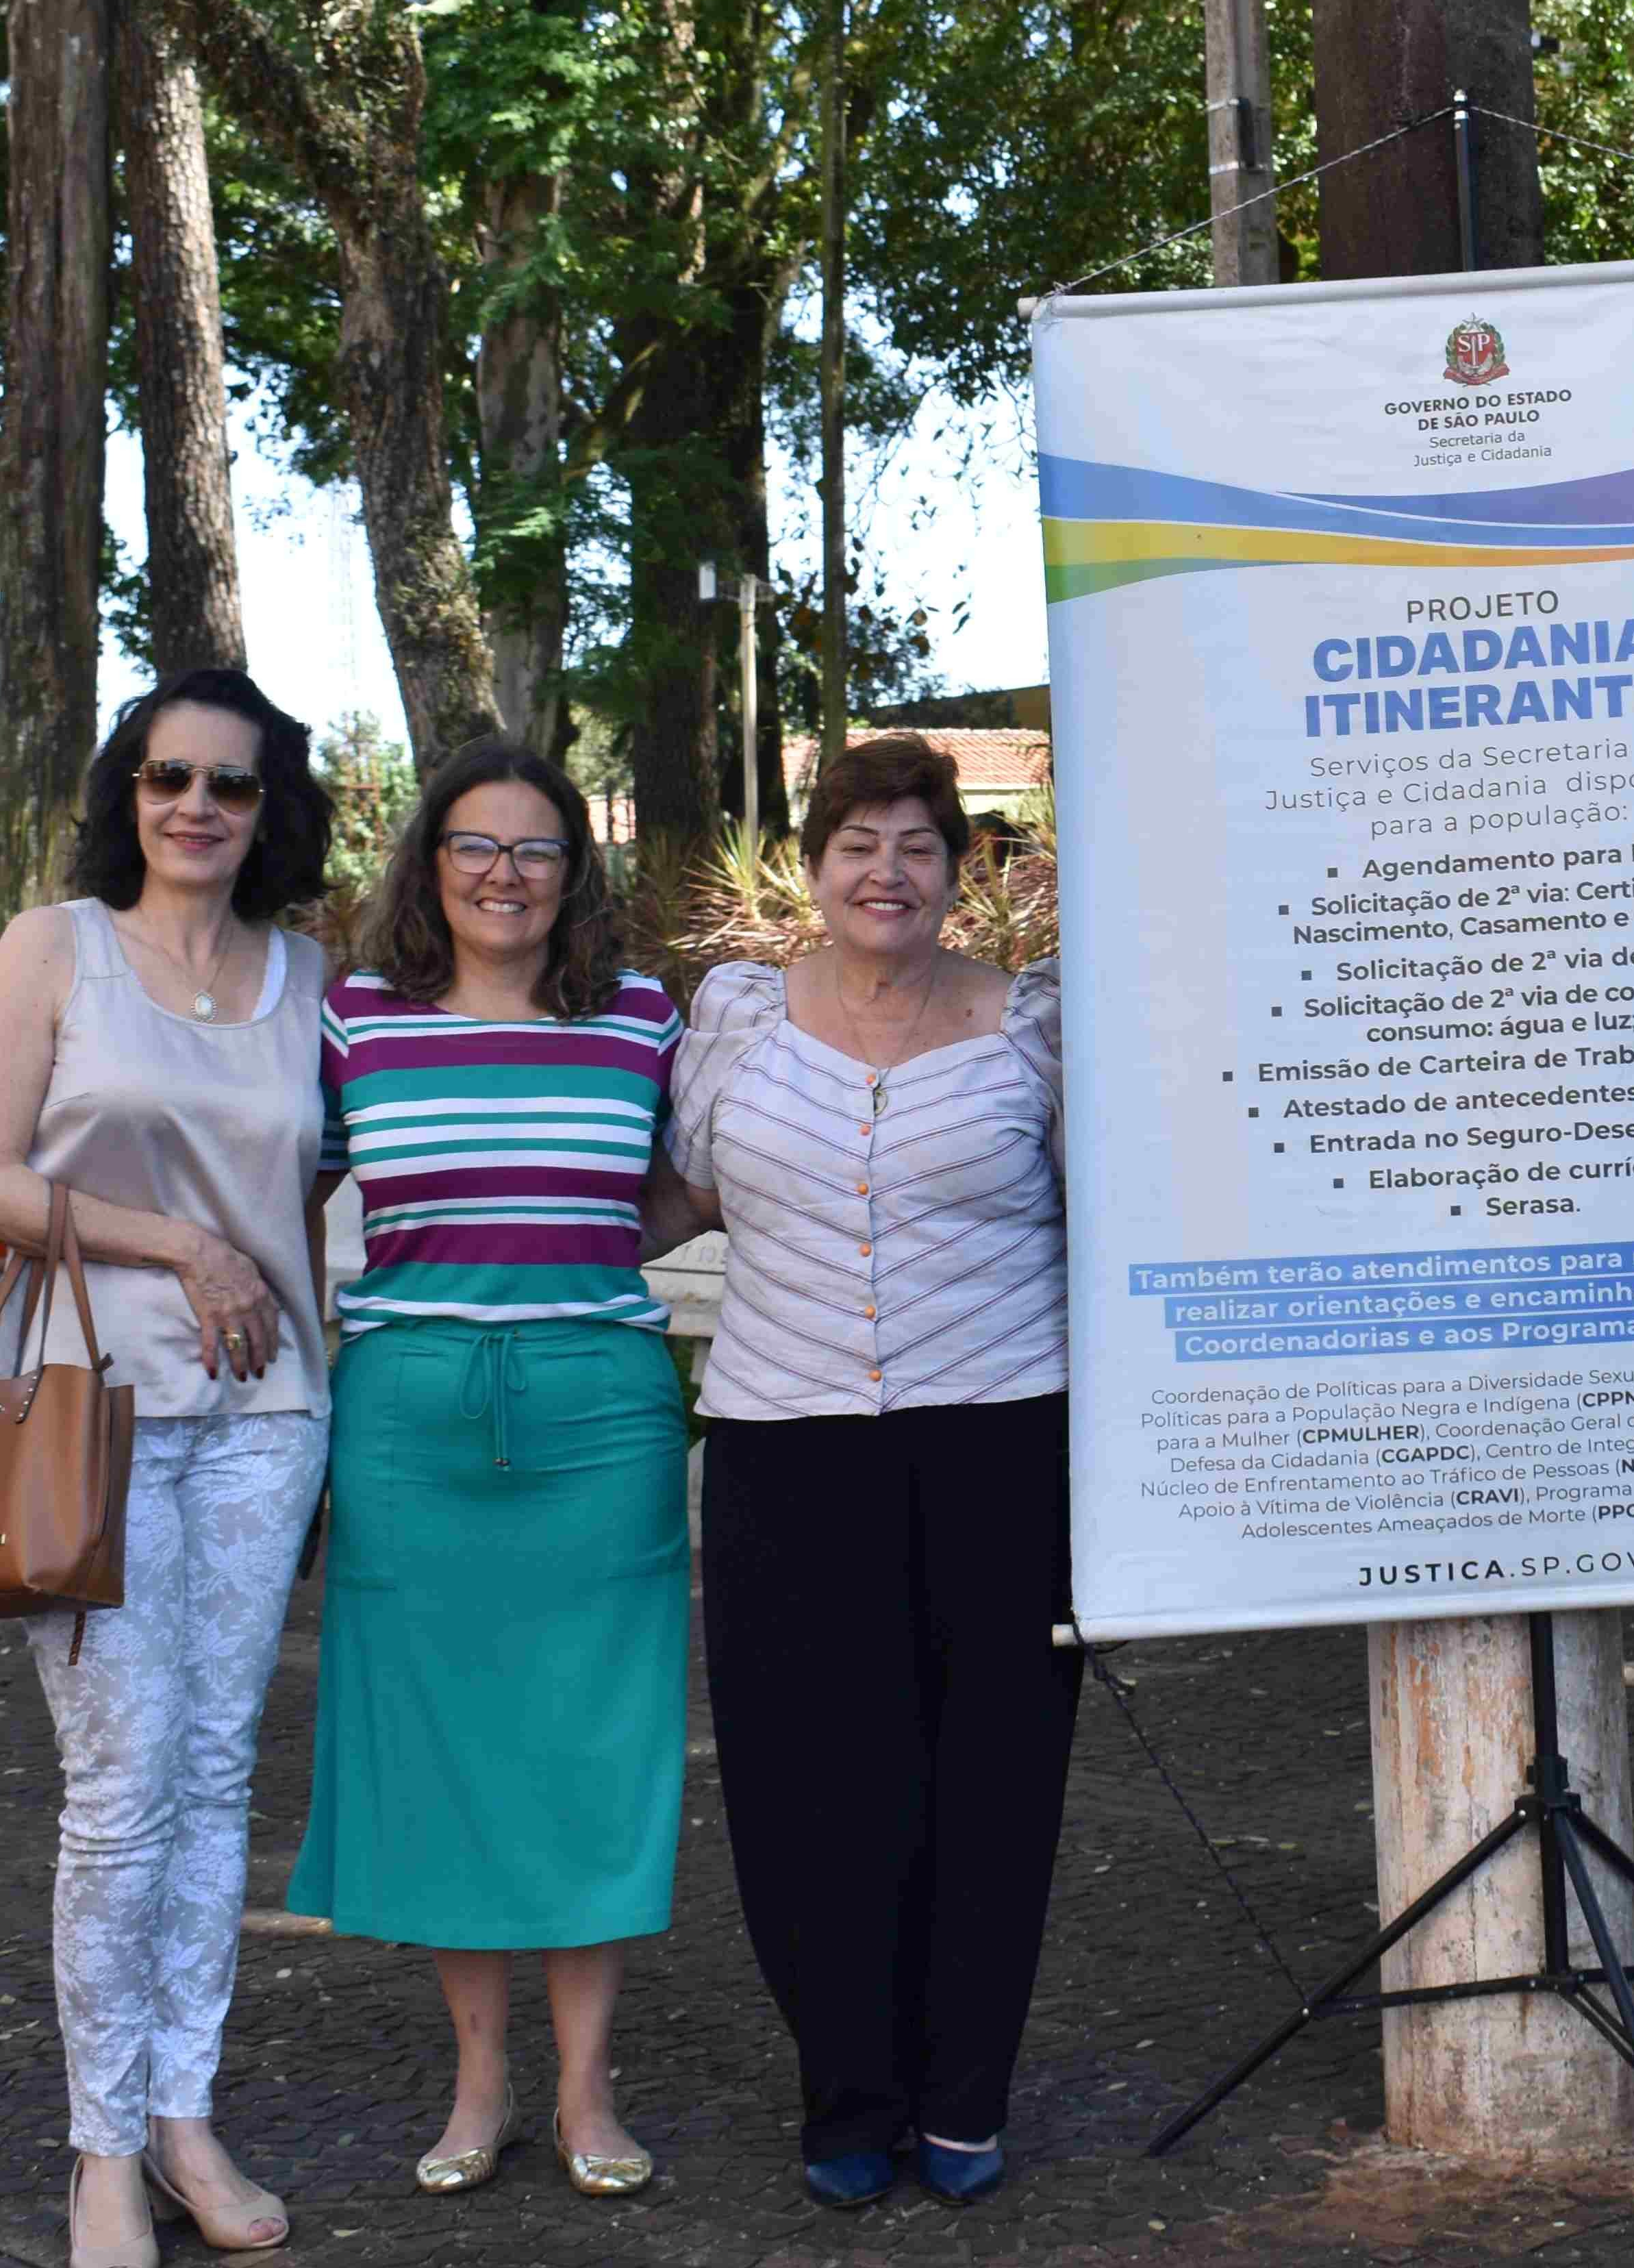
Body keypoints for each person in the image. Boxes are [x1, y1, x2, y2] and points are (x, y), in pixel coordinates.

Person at [0, 669, 338, 2268]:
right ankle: (102, 2149)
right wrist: (175, 1243)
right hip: (88, 1416)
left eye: (229, 785)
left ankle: (185, 2112)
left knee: (217, 1775)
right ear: (130, 790)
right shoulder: (57, 947)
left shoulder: (310, 972)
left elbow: (310, 1199)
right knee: (118, 1792)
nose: (196, 805)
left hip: (272, 1418)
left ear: (266, 809)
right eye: (169, 774)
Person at [670, 733, 1074, 2212]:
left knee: (992, 1776)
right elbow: (668, 1191)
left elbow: (1110, 1209)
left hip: (1002, 1436)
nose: (886, 871)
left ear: (956, 874)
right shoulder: (731, 1018)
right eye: (860, 843)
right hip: (787, 1447)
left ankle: (964, 2091)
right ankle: (847, 2087)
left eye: (917, 846)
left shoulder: (1032, 1022)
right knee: (806, 1785)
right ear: (814, 862)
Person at [290, 742, 699, 2200]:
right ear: (431, 860)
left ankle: (590, 2082)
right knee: (449, 1745)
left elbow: (699, 1174)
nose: (506, 875)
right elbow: (282, 1190)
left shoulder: (643, 1013)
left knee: (595, 1745)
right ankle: (480, 2076)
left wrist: (573, 1257)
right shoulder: (354, 1016)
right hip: (409, 1415)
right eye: (478, 845)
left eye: (537, 850)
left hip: (599, 1409)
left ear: (574, 872)